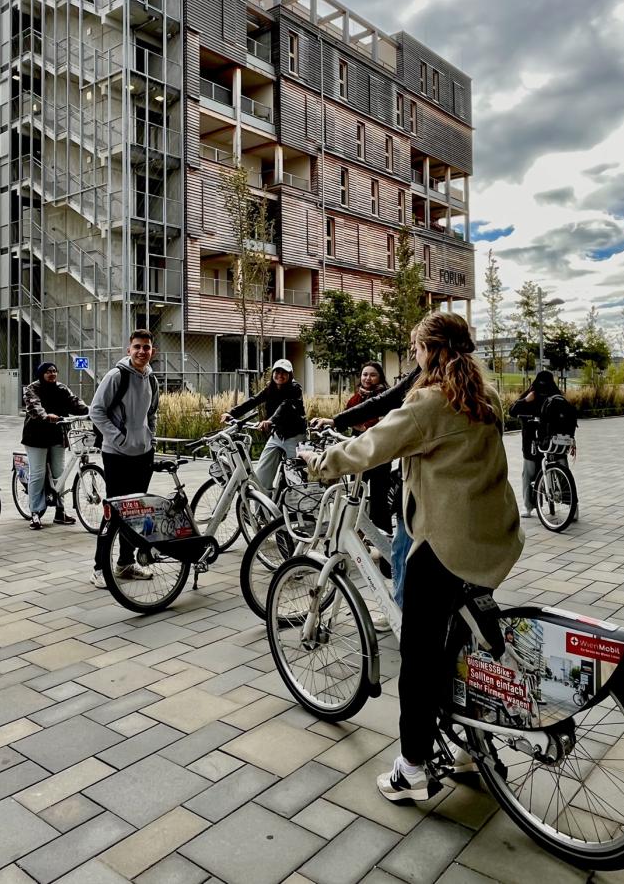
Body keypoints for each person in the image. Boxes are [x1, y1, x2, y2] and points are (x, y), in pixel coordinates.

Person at [299, 312, 522, 803]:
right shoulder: (485, 397)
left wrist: (319, 463)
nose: (415, 355)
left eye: (418, 348)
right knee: (456, 648)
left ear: (431, 351)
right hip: (494, 542)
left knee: (418, 660)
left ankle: (412, 768)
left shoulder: (429, 403)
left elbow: (369, 448)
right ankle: (470, 745)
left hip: (446, 547)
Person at [315, 364, 421, 606]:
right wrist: (338, 421)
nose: (414, 353)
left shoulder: (423, 395)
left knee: (399, 538)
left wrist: (324, 462)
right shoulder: (455, 388)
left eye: (417, 346)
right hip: (420, 484)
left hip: (405, 477)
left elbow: (383, 432)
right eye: (364, 374)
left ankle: (402, 611)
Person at [88, 329, 160, 587]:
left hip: (142, 454)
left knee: (136, 513)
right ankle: (99, 568)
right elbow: (95, 411)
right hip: (117, 455)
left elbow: (152, 413)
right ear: (129, 349)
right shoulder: (116, 376)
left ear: (153, 351)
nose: (142, 351)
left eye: (147, 347)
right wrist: (118, 438)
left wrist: (150, 437)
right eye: (137, 347)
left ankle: (125, 563)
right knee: (115, 513)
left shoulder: (152, 380)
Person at [21, 361, 90, 529]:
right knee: (38, 473)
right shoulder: (32, 388)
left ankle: (60, 512)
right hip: (36, 436)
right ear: (41, 374)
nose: (52, 373)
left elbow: (75, 403)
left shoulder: (62, 388)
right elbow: (34, 406)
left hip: (57, 435)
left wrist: (91, 410)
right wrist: (46, 416)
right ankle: (35, 512)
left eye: (54, 370)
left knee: (60, 474)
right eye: (47, 371)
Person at [221, 359, 307, 493]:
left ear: (290, 375)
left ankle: (295, 510)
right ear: (273, 373)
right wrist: (231, 413)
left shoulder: (295, 389)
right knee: (261, 477)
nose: (280, 375)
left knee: (296, 480)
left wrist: (270, 421)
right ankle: (262, 509)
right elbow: (253, 401)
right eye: (277, 371)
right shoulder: (270, 388)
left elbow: (285, 407)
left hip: (294, 438)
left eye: (284, 372)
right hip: (277, 436)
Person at [509, 371, 578, 518]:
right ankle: (573, 505)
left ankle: (528, 506)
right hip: (554, 441)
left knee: (528, 472)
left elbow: (512, 411)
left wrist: (525, 401)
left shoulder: (533, 394)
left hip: (534, 441)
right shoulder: (558, 397)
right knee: (562, 469)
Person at [344, 361, 393, 531]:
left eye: (373, 375)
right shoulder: (357, 397)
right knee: (354, 494)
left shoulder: (386, 396)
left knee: (379, 499)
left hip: (380, 452)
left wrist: (363, 424)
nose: (368, 378)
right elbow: (348, 415)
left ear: (380, 377)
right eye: (365, 374)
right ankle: (354, 536)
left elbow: (375, 424)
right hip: (358, 452)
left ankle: (384, 545)